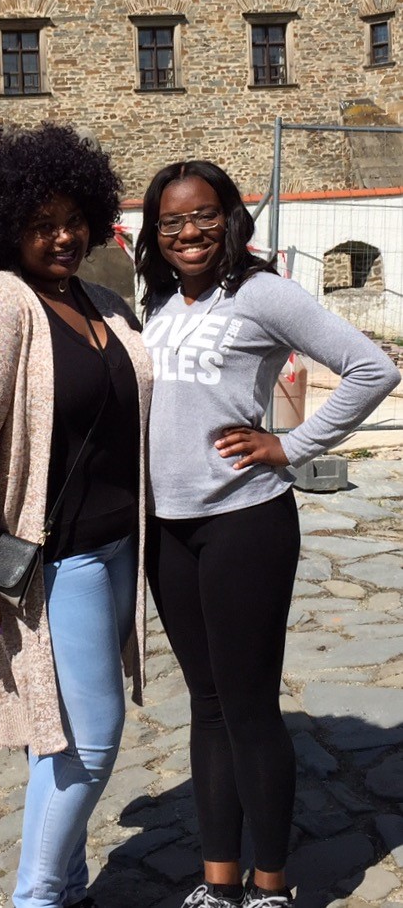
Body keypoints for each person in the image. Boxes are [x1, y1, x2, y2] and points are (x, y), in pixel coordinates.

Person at [135, 160, 400, 908]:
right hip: (168, 527)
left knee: (248, 706)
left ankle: (271, 886)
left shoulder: (261, 294)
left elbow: (369, 367)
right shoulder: (155, 301)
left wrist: (290, 444)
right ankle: (217, 884)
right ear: (153, 233)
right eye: (171, 221)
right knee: (207, 703)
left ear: (229, 218)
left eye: (203, 215)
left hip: (243, 521)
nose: (188, 231)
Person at [0, 122, 152, 908]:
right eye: (40, 224)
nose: (61, 236)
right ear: (6, 227)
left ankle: (63, 883)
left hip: (116, 546)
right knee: (90, 741)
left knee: (58, 737)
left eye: (70, 220)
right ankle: (36, 898)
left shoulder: (98, 299)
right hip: (55, 561)